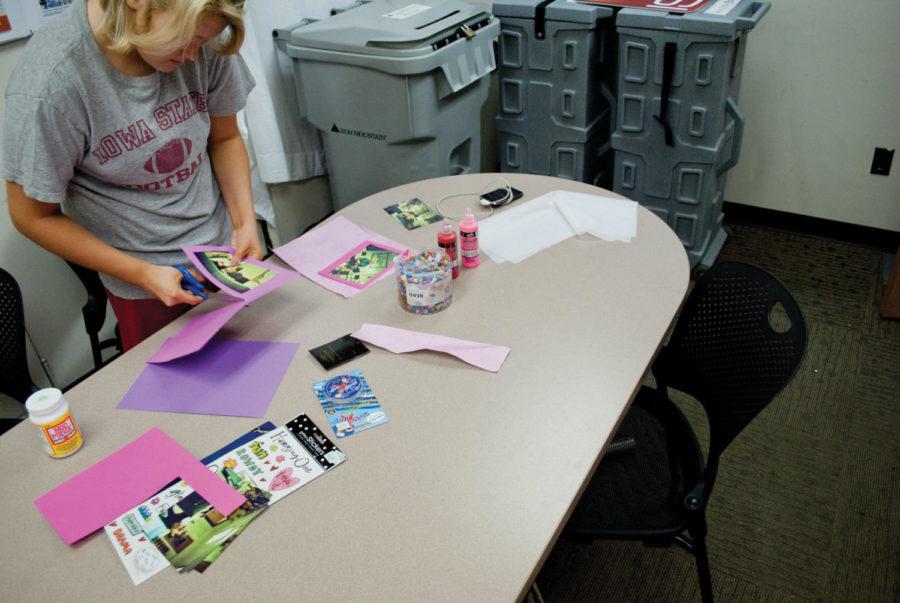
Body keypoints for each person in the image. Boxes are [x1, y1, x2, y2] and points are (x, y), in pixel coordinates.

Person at [4, 0, 260, 350]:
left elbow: (225, 137)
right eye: (185, 39)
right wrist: (142, 274)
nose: (191, 57)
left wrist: (244, 223)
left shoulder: (204, 40)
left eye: (203, 43)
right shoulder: (52, 82)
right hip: (142, 278)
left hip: (221, 254)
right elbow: (31, 217)